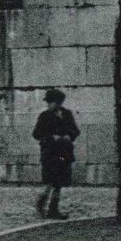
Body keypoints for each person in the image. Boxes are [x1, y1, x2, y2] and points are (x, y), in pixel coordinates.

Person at [32, 87, 80, 219]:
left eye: (51, 102)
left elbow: (75, 131)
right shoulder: (44, 116)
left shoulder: (67, 114)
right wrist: (52, 137)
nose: (49, 105)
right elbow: (36, 134)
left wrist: (69, 136)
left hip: (64, 152)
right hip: (50, 153)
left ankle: (53, 209)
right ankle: (41, 203)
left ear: (58, 102)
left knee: (59, 183)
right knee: (49, 181)